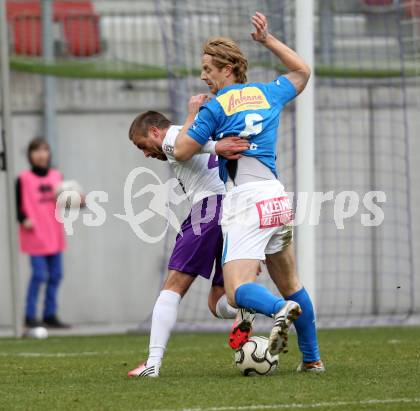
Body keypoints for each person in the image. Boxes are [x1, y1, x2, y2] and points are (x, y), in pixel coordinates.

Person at [173, 12, 324, 372]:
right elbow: (303, 71)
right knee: (291, 282)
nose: (204, 75)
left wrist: (193, 115)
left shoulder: (215, 107)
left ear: (228, 69)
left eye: (209, 68)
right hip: (276, 198)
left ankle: (276, 310)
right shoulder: (266, 93)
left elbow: (180, 151)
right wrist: (267, 40)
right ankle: (312, 359)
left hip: (247, 202)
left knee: (235, 290)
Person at [126, 111, 253, 377]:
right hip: (235, 209)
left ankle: (153, 363)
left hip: (208, 209)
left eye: (142, 146)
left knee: (172, 287)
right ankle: (251, 308)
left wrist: (197, 115)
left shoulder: (172, 137)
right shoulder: (192, 132)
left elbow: (179, 145)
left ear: (154, 132)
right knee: (219, 299)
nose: (146, 154)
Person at [16, 137, 70, 329]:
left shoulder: (57, 177)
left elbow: (65, 202)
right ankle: (29, 315)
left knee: (56, 275)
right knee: (39, 275)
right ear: (30, 155)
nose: (40, 154)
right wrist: (24, 219)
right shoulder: (23, 179)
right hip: (35, 236)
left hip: (54, 233)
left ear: (49, 154)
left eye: (44, 150)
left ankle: (49, 314)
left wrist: (79, 201)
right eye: (36, 150)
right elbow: (17, 207)